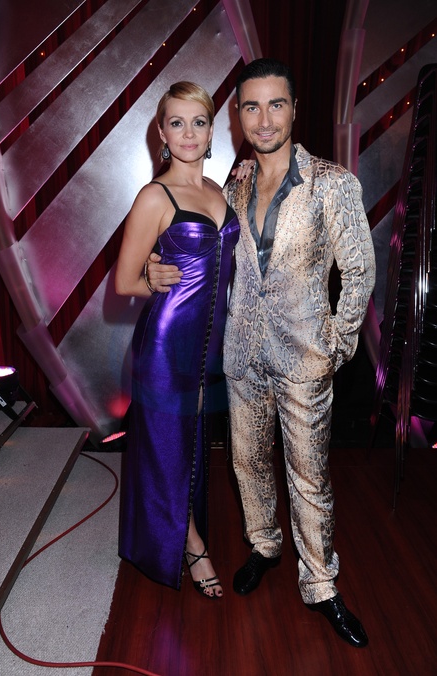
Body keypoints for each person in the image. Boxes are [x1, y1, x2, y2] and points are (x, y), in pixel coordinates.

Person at [147, 58, 375, 647]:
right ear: (238, 116)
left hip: (306, 357)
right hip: (242, 355)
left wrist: (336, 345)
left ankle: (321, 583)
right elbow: (203, 252)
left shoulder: (332, 183)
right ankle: (265, 545)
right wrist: (153, 266)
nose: (265, 119)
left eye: (276, 104)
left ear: (295, 109)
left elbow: (359, 271)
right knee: (246, 461)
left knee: (309, 475)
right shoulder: (235, 183)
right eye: (252, 106)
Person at [115, 81, 240, 598]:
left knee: (191, 446)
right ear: (162, 134)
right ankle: (191, 546)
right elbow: (123, 282)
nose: (189, 133)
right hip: (167, 346)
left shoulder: (218, 191)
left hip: (210, 348)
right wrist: (152, 277)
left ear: (211, 132)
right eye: (177, 123)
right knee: (167, 449)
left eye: (199, 122)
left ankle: (182, 531)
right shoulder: (155, 196)